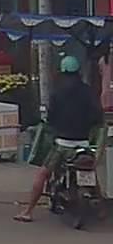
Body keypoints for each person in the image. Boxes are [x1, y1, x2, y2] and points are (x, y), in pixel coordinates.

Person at [14, 55, 104, 222]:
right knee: (90, 172)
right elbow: (98, 116)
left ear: (62, 71)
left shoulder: (57, 93)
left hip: (62, 145)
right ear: (78, 71)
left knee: (42, 174)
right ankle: (101, 210)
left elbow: (51, 118)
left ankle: (28, 211)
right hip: (83, 145)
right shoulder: (88, 91)